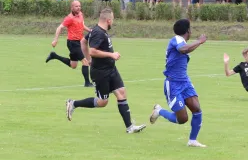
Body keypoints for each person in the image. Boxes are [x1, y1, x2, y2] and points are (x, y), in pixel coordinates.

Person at [65, 8, 146, 134]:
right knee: (102, 102)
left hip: (111, 69)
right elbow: (92, 50)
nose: (112, 22)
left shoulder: (97, 30)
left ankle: (130, 127)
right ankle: (73, 103)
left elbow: (83, 41)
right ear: (108, 20)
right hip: (100, 73)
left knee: (121, 93)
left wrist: (88, 59)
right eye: (112, 20)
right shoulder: (98, 33)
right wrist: (111, 55)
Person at [149, 19, 207, 147]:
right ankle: (159, 111)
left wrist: (197, 43)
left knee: (197, 109)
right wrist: (199, 41)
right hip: (173, 84)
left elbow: (186, 50)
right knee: (182, 119)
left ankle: (192, 140)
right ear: (188, 31)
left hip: (185, 82)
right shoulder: (176, 40)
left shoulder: (182, 41)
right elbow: (183, 50)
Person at [46, 0, 93, 87]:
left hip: (79, 42)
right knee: (85, 61)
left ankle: (54, 56)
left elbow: (82, 25)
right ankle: (87, 83)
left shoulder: (81, 14)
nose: (78, 8)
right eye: (76, 6)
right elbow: (59, 28)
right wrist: (55, 40)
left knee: (73, 65)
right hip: (72, 43)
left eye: (79, 6)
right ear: (72, 7)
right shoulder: (69, 18)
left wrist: (90, 30)